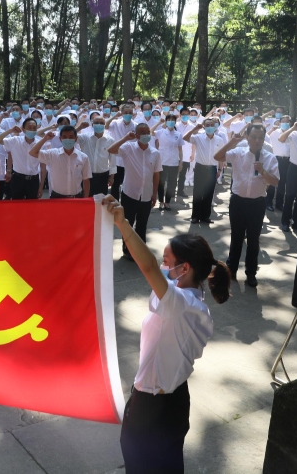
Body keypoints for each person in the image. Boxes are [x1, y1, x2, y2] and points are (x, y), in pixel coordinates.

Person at [100, 196, 230, 474]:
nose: (161, 265)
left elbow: (147, 265)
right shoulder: (188, 301)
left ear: (185, 268)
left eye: (167, 261)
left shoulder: (182, 305)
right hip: (170, 399)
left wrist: (123, 224)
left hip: (153, 407)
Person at [213, 125, 279, 286]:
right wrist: (232, 142)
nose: (257, 140)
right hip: (238, 202)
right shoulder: (238, 153)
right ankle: (231, 269)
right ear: (247, 137)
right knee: (236, 237)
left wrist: (263, 171)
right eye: (254, 137)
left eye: (260, 138)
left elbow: (275, 181)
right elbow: (217, 157)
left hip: (257, 204)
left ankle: (251, 273)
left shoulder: (270, 157)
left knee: (253, 240)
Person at [108, 124, 162, 260]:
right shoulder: (128, 148)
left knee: (142, 224)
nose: (146, 134)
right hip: (129, 193)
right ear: (136, 135)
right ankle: (128, 250)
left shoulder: (155, 153)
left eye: (147, 131)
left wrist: (154, 194)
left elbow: (156, 175)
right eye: (142, 132)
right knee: (128, 224)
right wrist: (126, 138)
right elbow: (111, 149)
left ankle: (140, 251)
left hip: (146, 195)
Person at [30, 126, 92, 198]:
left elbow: (86, 180)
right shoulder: (52, 154)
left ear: (76, 139)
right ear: (60, 139)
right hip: (57, 197)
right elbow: (32, 152)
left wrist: (85, 199)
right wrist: (45, 139)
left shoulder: (83, 157)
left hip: (76, 197)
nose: (68, 139)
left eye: (71, 137)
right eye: (64, 137)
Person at [184, 117, 225, 224]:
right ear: (204, 127)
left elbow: (221, 156)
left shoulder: (219, 140)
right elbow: (185, 138)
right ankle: (195, 216)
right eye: (207, 125)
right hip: (200, 168)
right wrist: (194, 129)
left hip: (212, 169)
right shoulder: (198, 137)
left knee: (209, 193)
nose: (210, 127)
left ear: (215, 127)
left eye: (212, 125)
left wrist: (219, 169)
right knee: (198, 192)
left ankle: (205, 216)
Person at [0, 118, 46, 200]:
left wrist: (41, 185)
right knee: (16, 204)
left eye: (34, 128)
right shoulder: (15, 141)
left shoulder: (41, 144)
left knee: (32, 205)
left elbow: (43, 167)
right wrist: (11, 130)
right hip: (18, 179)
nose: (32, 130)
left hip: (33, 180)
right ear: (23, 129)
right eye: (29, 127)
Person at [77, 113, 116, 196]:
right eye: (96, 123)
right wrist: (80, 127)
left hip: (103, 176)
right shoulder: (85, 137)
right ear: (92, 125)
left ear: (105, 125)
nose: (99, 125)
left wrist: (112, 177)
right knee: (86, 198)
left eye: (101, 123)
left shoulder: (110, 140)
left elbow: (112, 160)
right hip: (87, 175)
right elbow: (71, 136)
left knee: (101, 199)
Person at [153, 114, 182, 211]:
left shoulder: (178, 134)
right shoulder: (160, 132)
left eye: (173, 120)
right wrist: (158, 123)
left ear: (175, 122)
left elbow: (180, 149)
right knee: (161, 183)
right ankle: (161, 202)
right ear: (166, 121)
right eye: (169, 120)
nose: (171, 122)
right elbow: (150, 132)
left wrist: (181, 162)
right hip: (162, 161)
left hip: (174, 162)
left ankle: (167, 202)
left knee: (172, 183)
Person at [266, 114, 291, 211]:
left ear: (290, 123)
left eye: (287, 122)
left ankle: (279, 203)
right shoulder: (275, 132)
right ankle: (268, 203)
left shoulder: (293, 133)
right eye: (283, 121)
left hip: (287, 160)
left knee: (282, 182)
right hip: (275, 159)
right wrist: (271, 129)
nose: (285, 123)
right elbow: (265, 137)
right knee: (272, 181)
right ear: (280, 123)